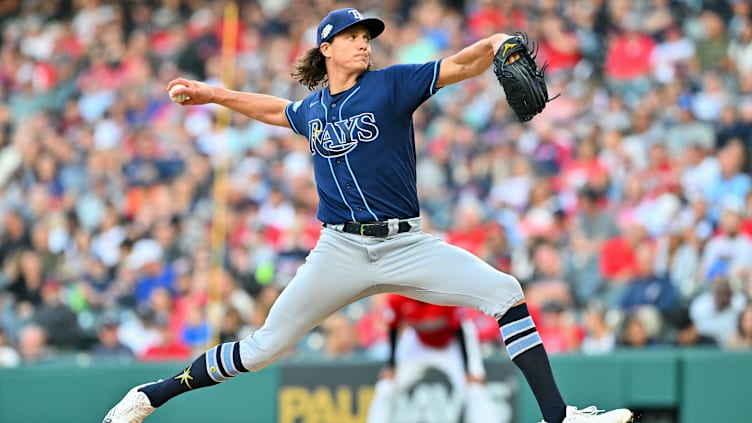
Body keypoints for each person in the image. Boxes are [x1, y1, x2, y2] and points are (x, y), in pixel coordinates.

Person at [102, 8, 632, 423]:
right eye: (353, 34)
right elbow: (273, 109)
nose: (364, 41)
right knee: (263, 348)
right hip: (339, 250)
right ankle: (151, 395)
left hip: (406, 245)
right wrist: (215, 95)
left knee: (505, 292)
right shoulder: (311, 109)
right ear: (326, 48)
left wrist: (495, 45)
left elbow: (461, 66)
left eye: (367, 35)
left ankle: (559, 417)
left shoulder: (391, 85)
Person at [366, 294, 496, 423]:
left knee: (474, 389)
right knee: (386, 387)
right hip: (418, 344)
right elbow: (393, 328)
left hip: (451, 345)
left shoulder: (445, 294)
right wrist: (391, 366)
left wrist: (468, 370)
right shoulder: (398, 298)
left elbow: (459, 330)